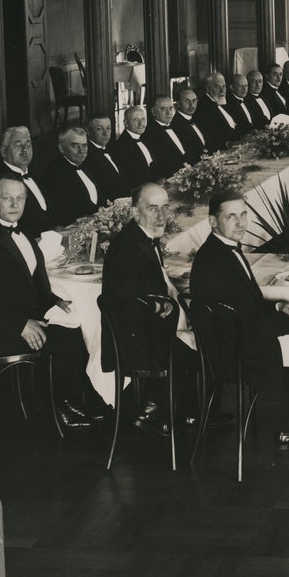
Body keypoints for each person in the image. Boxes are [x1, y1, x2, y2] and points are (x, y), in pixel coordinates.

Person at [190, 190, 289, 449]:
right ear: (212, 221)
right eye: (231, 217)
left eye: (243, 215)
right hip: (242, 354)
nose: (240, 223)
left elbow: (245, 307)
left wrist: (280, 306)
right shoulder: (215, 261)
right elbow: (242, 326)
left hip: (240, 343)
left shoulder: (220, 251)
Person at [0, 174, 97, 429]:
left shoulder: (23, 230)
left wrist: (55, 300)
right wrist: (21, 324)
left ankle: (68, 400)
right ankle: (52, 407)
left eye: (20, 198)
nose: (15, 204)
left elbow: (28, 280)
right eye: (7, 198)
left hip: (20, 315)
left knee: (80, 322)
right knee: (67, 339)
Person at [101, 182, 200, 437]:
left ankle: (182, 412)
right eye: (153, 208)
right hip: (134, 342)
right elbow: (125, 290)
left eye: (165, 208)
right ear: (135, 212)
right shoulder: (127, 246)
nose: (161, 215)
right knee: (198, 351)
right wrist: (160, 302)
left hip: (145, 331)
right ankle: (155, 410)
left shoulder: (142, 238)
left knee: (193, 343)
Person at [0, 125, 56, 237]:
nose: (24, 149)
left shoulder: (32, 175)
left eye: (28, 144)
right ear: (3, 151)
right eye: (18, 145)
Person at [41, 127, 106, 225]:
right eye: (75, 146)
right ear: (61, 148)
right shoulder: (54, 174)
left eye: (84, 146)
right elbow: (63, 215)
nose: (81, 151)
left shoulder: (84, 164)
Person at [143, 94, 190, 179]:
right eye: (163, 109)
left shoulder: (177, 126)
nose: (169, 113)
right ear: (153, 111)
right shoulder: (149, 134)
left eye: (171, 108)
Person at [84, 114, 127, 202]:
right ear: (88, 131)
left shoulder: (111, 149)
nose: (105, 133)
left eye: (108, 128)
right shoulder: (86, 156)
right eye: (99, 129)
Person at [112, 105, 158, 187]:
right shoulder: (121, 146)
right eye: (135, 120)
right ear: (125, 123)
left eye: (143, 119)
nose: (141, 123)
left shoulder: (144, 138)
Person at [193, 72, 241, 150]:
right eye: (217, 87)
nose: (222, 91)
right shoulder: (202, 107)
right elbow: (209, 137)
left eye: (224, 87)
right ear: (208, 88)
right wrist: (227, 144)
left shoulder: (222, 101)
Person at [171, 88, 209, 160]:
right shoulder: (175, 125)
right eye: (187, 101)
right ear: (178, 103)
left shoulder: (197, 122)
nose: (192, 105)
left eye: (194, 101)